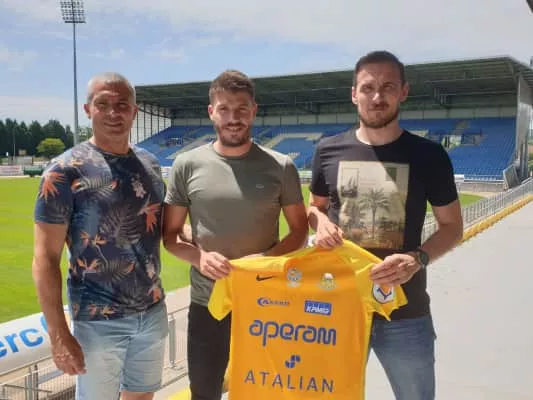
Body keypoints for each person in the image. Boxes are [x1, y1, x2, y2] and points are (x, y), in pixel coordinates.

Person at [307, 51, 463, 400]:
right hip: (339, 307)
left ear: (403, 92)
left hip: (405, 311)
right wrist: (320, 223)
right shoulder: (327, 151)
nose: (377, 97)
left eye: (388, 87)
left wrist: (417, 259)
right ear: (354, 94)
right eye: (368, 87)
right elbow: (314, 208)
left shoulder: (429, 155)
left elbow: (452, 226)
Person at [162, 69, 308, 400]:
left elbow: (299, 230)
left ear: (253, 111)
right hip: (208, 304)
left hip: (266, 303)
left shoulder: (281, 166)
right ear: (211, 112)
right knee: (205, 393)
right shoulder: (186, 165)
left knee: (265, 393)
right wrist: (199, 257)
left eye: (241, 108)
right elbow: (170, 236)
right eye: (224, 109)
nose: (233, 118)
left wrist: (266, 260)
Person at [32, 72, 168, 400]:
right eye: (103, 104)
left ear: (134, 111)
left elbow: (157, 227)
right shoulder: (64, 171)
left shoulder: (149, 164)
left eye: (122, 105)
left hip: (152, 311)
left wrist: (204, 238)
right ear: (87, 110)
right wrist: (59, 334)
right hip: (98, 322)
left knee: (142, 397)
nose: (113, 112)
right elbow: (45, 258)